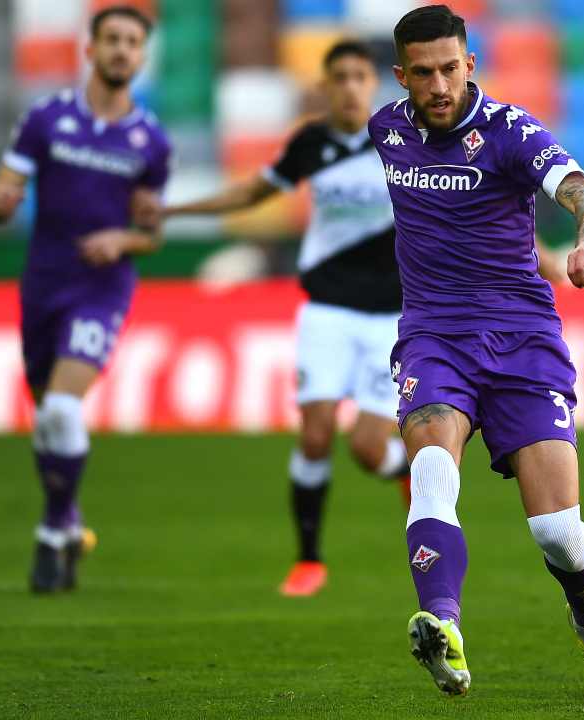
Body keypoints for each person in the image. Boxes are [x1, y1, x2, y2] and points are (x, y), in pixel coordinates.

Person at [368, 4, 584, 704]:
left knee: (557, 533)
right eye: (423, 73)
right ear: (403, 76)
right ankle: (444, 629)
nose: (439, 84)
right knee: (429, 466)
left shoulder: (511, 133)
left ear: (470, 65)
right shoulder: (386, 130)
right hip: (433, 335)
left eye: (451, 68)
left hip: (522, 339)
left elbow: (583, 194)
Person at [164, 41, 411, 598]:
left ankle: (403, 471)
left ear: (373, 84)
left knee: (368, 450)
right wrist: (175, 210)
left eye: (358, 76)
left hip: (389, 319)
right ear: (324, 87)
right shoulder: (310, 144)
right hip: (325, 310)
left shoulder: (401, 142)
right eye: (339, 77)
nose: (349, 86)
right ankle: (308, 561)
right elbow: (251, 191)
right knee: (316, 434)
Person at [0, 5, 172, 593]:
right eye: (111, 39)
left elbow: (152, 235)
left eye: (131, 42)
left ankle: (52, 528)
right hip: (43, 281)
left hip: (102, 288)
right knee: (47, 417)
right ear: (89, 49)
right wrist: (0, 205)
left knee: (62, 409)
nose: (120, 50)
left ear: (141, 56)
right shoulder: (45, 120)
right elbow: (2, 193)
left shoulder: (150, 143)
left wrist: (124, 238)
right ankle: (66, 518)